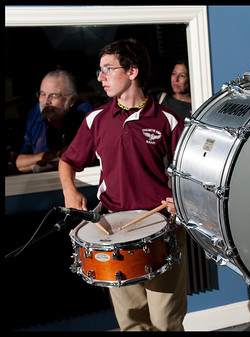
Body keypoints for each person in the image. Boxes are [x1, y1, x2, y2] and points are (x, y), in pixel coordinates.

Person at [58, 38, 187, 331]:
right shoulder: (96, 120)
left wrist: (181, 200)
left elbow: (189, 176)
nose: (100, 78)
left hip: (162, 227)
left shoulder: (168, 121)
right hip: (113, 229)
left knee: (166, 321)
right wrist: (69, 189)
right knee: (132, 323)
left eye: (108, 69)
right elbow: (67, 161)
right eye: (99, 70)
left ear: (132, 72)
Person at [15, 69, 93, 173]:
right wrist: (54, 155)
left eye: (54, 95)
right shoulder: (35, 115)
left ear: (72, 100)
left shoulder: (85, 114)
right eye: (42, 94)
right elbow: (19, 163)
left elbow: (86, 157)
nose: (45, 101)